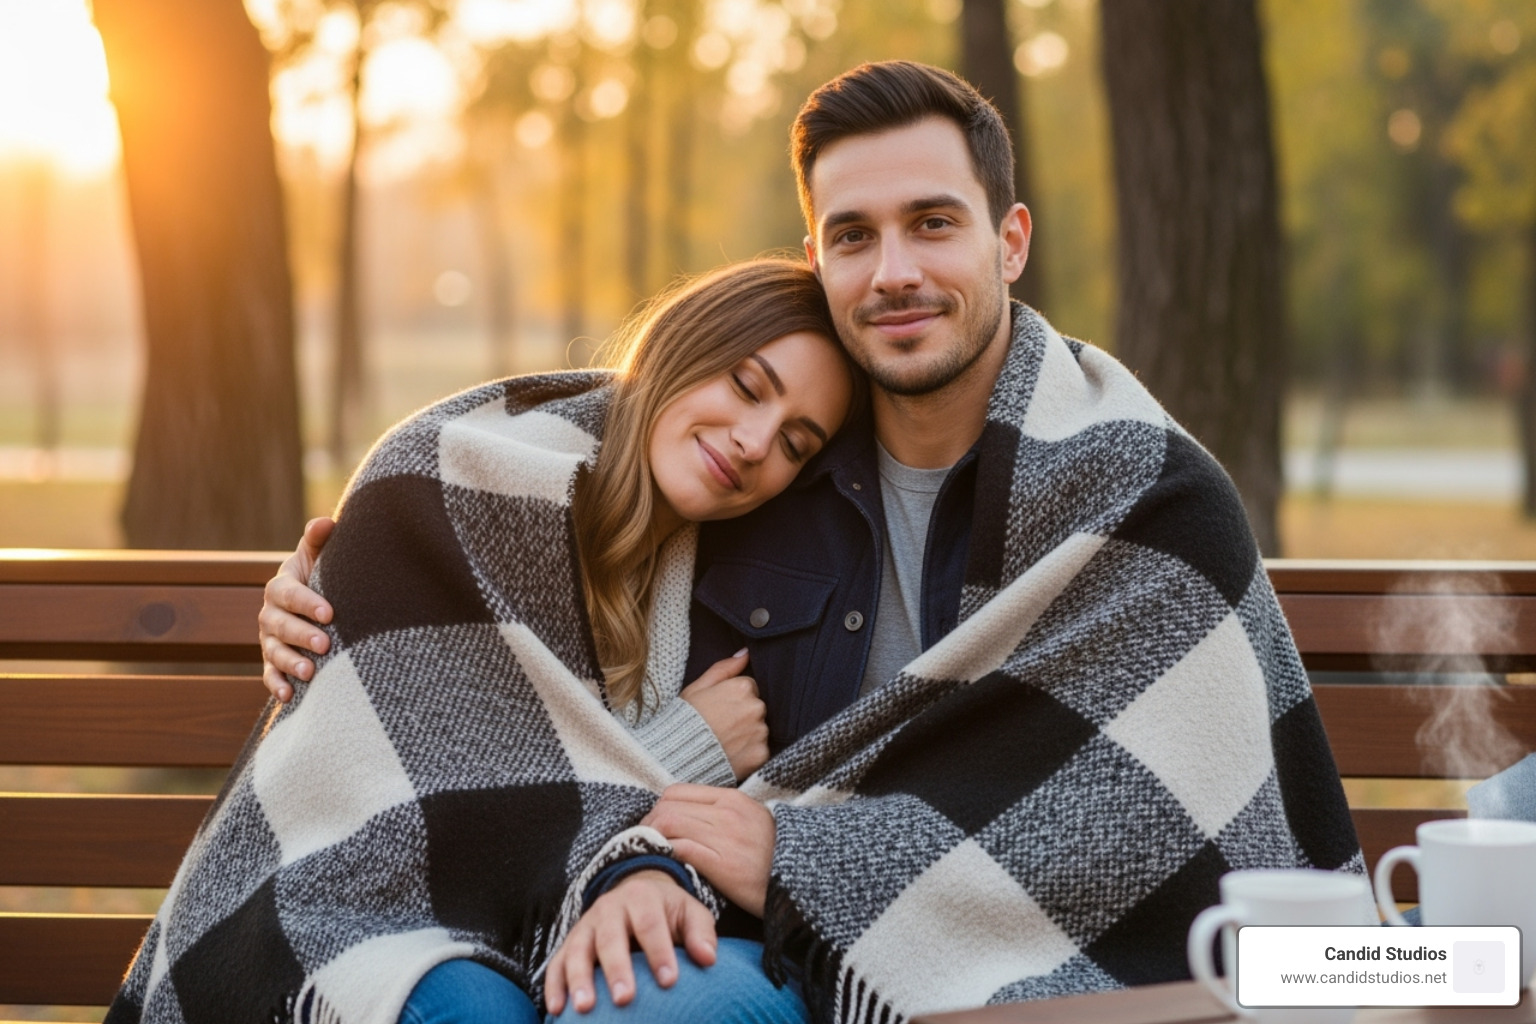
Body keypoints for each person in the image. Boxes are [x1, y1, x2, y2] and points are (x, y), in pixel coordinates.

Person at [261, 61, 1362, 1024]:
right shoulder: (755, 467)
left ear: (1010, 240)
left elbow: (1136, 822)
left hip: (1017, 953)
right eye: (854, 236)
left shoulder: (1137, 490)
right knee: (635, 1001)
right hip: (734, 935)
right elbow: (544, 565)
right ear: (817, 258)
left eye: (934, 222)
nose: (894, 272)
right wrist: (349, 578)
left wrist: (804, 856)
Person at [105, 258, 857, 1024]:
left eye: (797, 444)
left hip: (503, 926)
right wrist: (688, 747)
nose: (757, 441)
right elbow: (427, 795)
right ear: (680, 348)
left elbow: (519, 783)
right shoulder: (463, 475)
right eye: (746, 386)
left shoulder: (723, 564)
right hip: (331, 902)